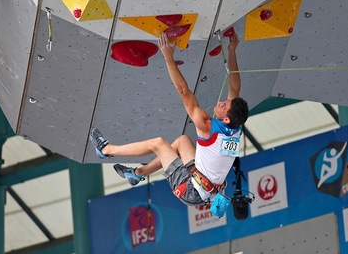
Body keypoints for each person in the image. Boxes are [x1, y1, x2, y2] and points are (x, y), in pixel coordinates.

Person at [90, 31, 248, 206]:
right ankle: (137, 173)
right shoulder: (235, 126)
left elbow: (183, 91)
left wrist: (168, 58)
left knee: (158, 144)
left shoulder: (207, 125)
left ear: (226, 119)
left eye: (223, 106)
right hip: (204, 183)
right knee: (183, 141)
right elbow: (235, 86)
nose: (220, 102)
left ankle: (106, 150)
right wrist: (232, 50)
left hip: (192, 190)